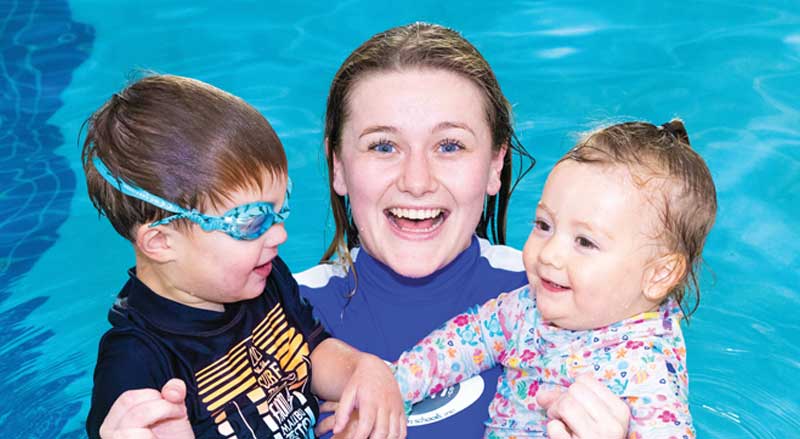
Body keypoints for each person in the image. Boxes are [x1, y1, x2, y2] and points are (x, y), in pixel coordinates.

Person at [296, 23, 630, 438]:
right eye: (383, 146)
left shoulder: (572, 300)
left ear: (494, 164)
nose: (417, 181)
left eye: (449, 146)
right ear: (338, 166)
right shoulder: (276, 315)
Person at [82, 75, 405, 439]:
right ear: (160, 242)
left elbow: (312, 351)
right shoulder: (136, 365)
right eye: (251, 221)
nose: (279, 235)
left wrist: (361, 370)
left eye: (280, 208)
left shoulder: (263, 275)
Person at [392, 120, 717, 438]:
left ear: (659, 274)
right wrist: (396, 383)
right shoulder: (527, 307)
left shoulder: (647, 372)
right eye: (544, 225)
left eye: (585, 242)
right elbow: (470, 338)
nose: (549, 254)